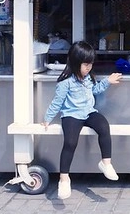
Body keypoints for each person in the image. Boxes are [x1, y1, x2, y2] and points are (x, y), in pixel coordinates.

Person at [42, 40, 123, 199]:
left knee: (104, 127)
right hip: (71, 115)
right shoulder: (65, 82)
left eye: (90, 64)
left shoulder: (88, 78)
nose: (89, 68)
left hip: (88, 112)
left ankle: (106, 163)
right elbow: (57, 102)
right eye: (86, 64)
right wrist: (47, 118)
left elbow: (95, 90)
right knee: (70, 143)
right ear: (75, 62)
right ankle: (64, 179)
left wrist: (107, 81)